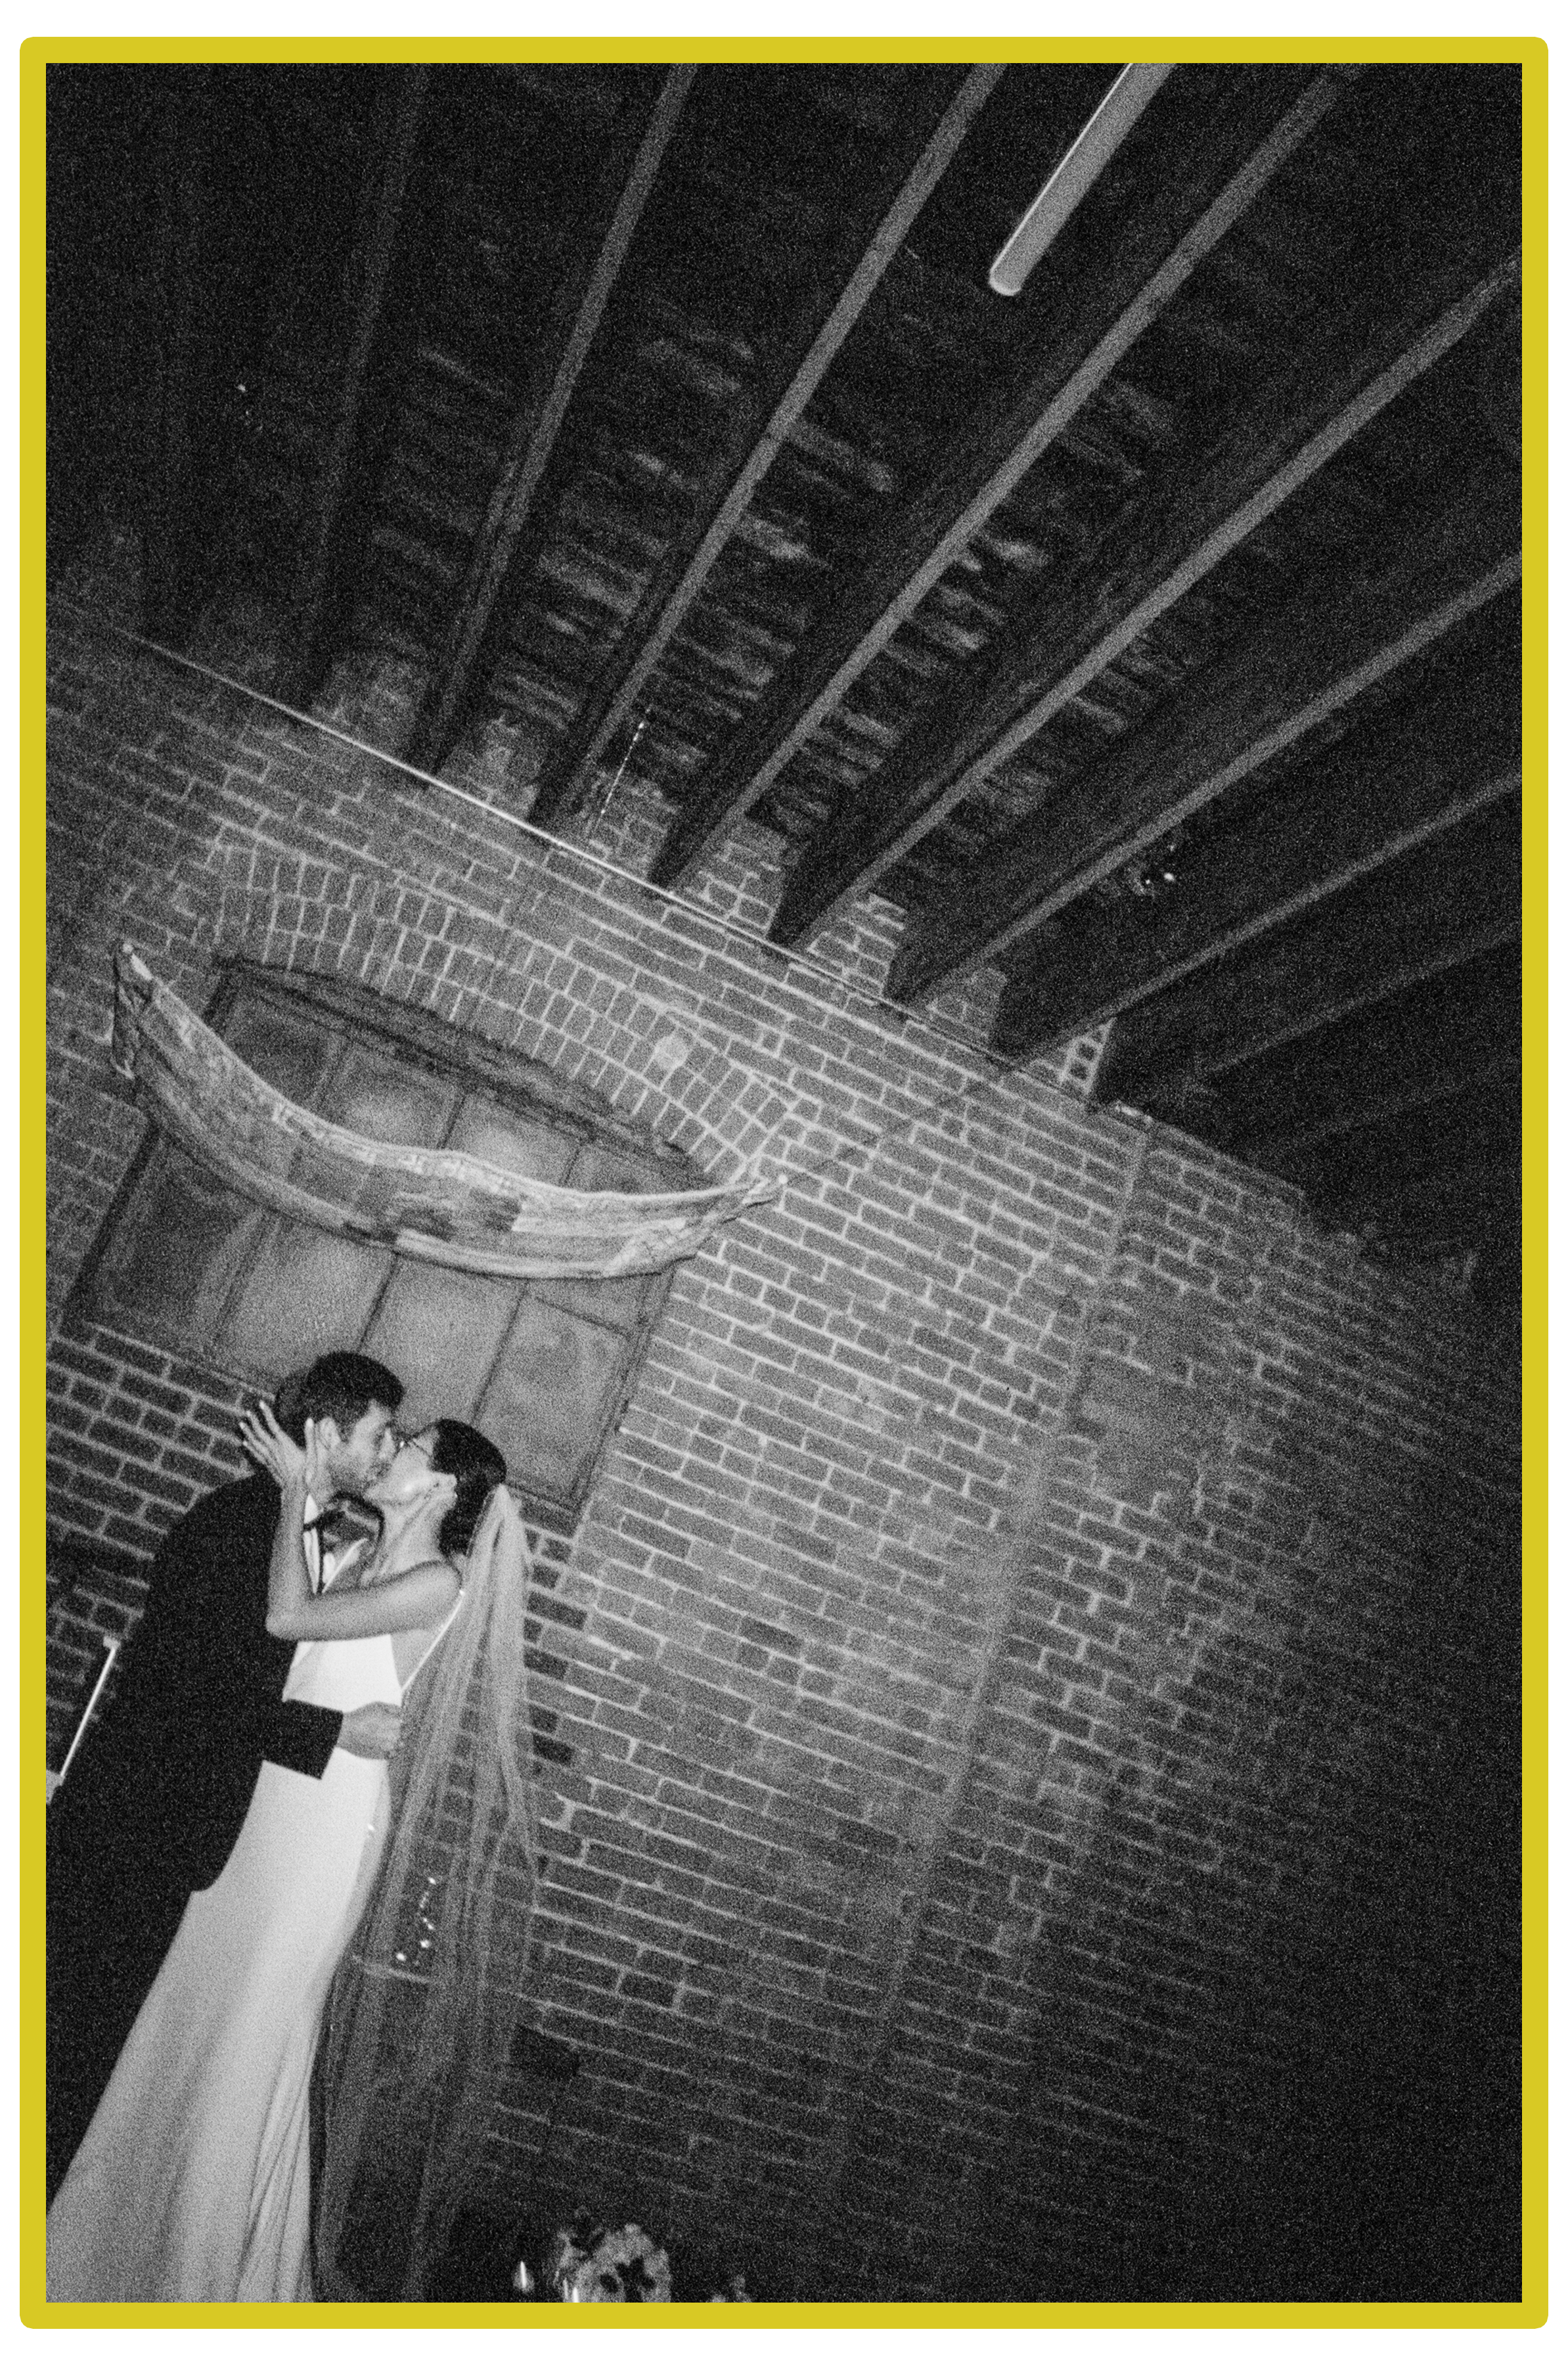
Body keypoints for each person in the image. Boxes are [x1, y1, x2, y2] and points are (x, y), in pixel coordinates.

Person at [45, 1408, 514, 2302]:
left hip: (324, 1830)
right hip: (263, 1803)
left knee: (250, 2030)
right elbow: (265, 1658)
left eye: (406, 1448)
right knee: (190, 2004)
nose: (391, 1455)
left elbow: (285, 1616)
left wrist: (301, 1486)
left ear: (444, 1487)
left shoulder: (435, 1582)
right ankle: (109, 2243)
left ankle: (201, 2270)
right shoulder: (350, 1547)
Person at [45, 1349, 406, 2203]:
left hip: (169, 1836)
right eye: (381, 1435)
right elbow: (193, 1693)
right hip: (130, 1832)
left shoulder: (287, 1532)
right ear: (325, 1434)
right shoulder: (237, 1527)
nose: (389, 1454)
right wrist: (336, 1731)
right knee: (68, 2051)